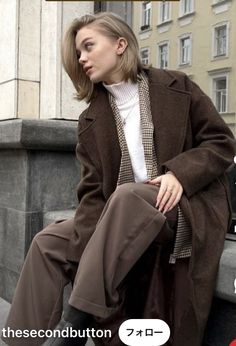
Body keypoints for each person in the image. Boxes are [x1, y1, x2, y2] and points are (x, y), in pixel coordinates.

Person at [1, 11, 235, 346]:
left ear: (120, 44)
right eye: (77, 52)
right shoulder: (91, 119)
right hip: (123, 212)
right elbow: (94, 194)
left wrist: (180, 173)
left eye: (88, 46)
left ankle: (74, 328)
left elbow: (222, 143)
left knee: (126, 196)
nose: (81, 58)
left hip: (182, 205)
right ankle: (21, 340)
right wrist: (85, 248)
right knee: (49, 242)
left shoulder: (176, 86)